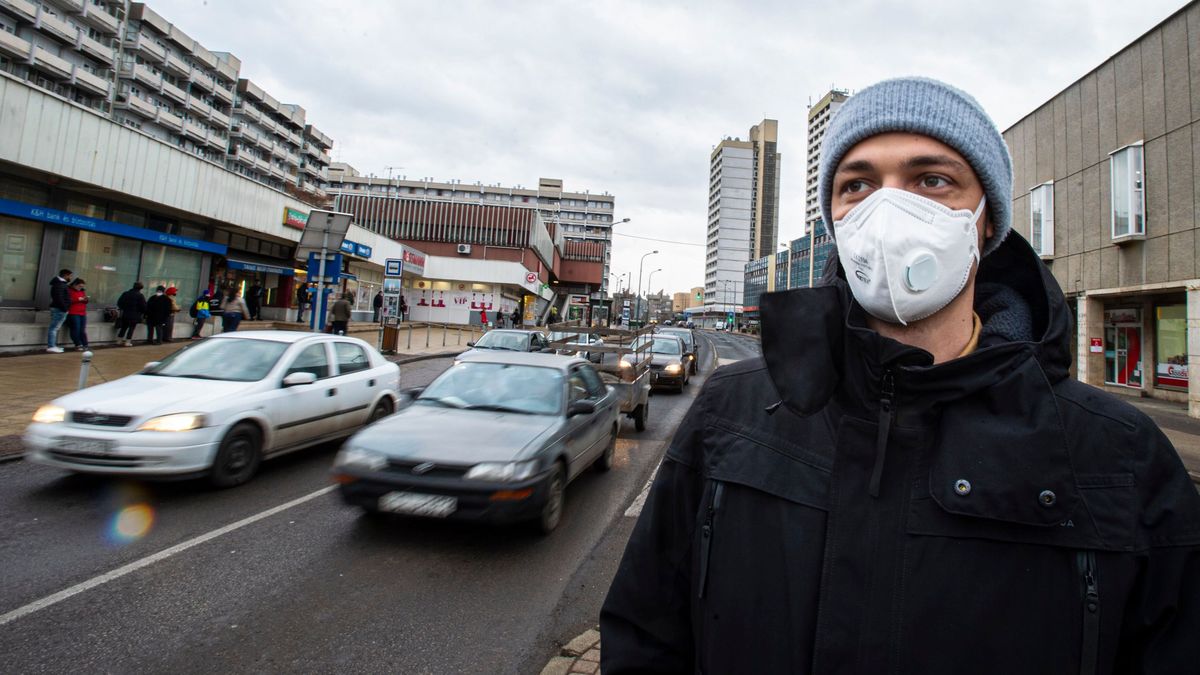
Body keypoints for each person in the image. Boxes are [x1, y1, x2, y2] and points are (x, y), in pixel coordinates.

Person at [600, 78, 1200, 673]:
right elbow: (647, 633)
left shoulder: (1117, 457)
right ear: (834, 219)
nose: (887, 211)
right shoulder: (732, 413)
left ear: (987, 221)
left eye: (931, 180)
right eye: (857, 184)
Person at [46, 268, 72, 353]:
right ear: (65, 275)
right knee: (53, 328)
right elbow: (58, 298)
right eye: (69, 275)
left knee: (55, 328)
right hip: (59, 309)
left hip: (60, 309)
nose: (70, 277)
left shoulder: (60, 284)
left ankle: (53, 345)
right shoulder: (59, 284)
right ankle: (51, 346)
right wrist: (65, 308)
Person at [115, 282, 147, 347]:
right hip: (135, 315)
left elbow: (119, 302)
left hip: (125, 313)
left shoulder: (126, 293)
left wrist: (124, 308)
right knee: (131, 328)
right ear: (140, 288)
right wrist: (143, 313)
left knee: (124, 327)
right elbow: (143, 306)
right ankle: (128, 342)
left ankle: (119, 340)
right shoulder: (140, 296)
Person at [65, 278, 89, 351]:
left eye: (82, 286)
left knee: (82, 330)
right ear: (75, 285)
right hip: (73, 312)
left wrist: (85, 300)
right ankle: (78, 344)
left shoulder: (82, 291)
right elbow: (68, 300)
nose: (80, 288)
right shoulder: (69, 290)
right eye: (79, 286)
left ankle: (85, 344)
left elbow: (85, 301)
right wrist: (79, 299)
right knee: (76, 329)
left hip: (82, 312)